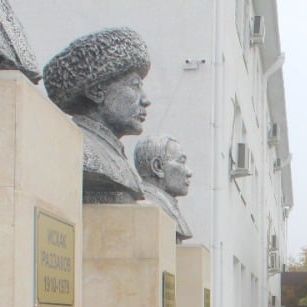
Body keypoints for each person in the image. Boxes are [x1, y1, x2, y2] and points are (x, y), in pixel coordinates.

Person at [43, 28, 152, 203]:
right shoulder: (79, 149)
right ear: (96, 92)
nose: (145, 100)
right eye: (135, 85)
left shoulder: (114, 156)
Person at [135, 134, 194, 241]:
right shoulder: (148, 207)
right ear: (158, 167)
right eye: (182, 162)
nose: (190, 172)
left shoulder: (167, 207)